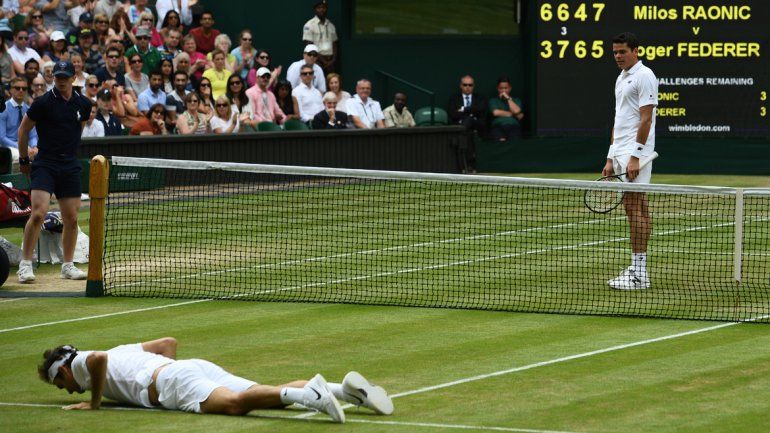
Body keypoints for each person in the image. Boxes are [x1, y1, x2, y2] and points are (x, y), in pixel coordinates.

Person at [37, 337, 394, 422]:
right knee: (255, 393)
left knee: (236, 406)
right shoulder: (122, 349)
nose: (66, 389)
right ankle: (343, 391)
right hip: (190, 368)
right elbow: (168, 343)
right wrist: (173, 372)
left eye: (60, 384)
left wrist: (94, 402)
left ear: (63, 371)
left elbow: (96, 360)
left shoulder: (83, 362)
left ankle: (312, 397)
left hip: (174, 382)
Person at [17, 60, 92, 283]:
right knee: (38, 212)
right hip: (45, 163)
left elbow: (77, 131)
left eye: (64, 76)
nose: (60, 80)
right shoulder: (43, 103)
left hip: (69, 164)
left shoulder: (84, 105)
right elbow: (23, 130)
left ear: (73, 77)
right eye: (57, 76)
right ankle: (25, 264)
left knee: (71, 217)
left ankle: (68, 266)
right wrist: (23, 158)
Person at [604, 32, 658, 290]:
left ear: (636, 50)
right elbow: (619, 118)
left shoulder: (645, 76)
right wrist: (610, 155)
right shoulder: (621, 78)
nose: (617, 56)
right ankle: (638, 269)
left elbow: (646, 118)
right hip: (621, 151)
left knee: (634, 208)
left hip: (635, 154)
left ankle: (639, 274)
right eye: (615, 52)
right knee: (637, 207)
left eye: (622, 51)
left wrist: (635, 156)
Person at [448, 75, 488, 172]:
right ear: (460, 86)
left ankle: (465, 166)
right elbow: (453, 114)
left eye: (470, 85)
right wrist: (471, 112)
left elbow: (481, 110)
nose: (467, 87)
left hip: (477, 126)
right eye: (465, 84)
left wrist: (463, 109)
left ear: (473, 86)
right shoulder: (454, 99)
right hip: (462, 127)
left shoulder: (480, 98)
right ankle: (469, 165)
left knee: (469, 121)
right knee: (468, 132)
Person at [0, 77, 38, 162]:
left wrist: (35, 147)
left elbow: (32, 135)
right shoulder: (3, 109)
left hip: (26, 145)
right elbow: (2, 138)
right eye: (17, 88)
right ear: (10, 90)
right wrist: (22, 146)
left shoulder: (29, 110)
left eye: (24, 89)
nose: (21, 90)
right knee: (20, 156)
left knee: (40, 154)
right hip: (8, 146)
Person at [302, 0, 338, 74]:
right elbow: (309, 46)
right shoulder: (309, 25)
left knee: (331, 84)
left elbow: (334, 44)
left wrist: (332, 60)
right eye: (319, 7)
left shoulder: (331, 25)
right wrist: (324, 62)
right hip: (316, 61)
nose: (321, 10)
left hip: (330, 61)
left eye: (323, 7)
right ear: (315, 9)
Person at [488, 77, 524, 141]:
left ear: (510, 89)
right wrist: (514, 115)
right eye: (501, 88)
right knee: (501, 144)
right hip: (498, 126)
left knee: (514, 144)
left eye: (506, 88)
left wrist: (508, 99)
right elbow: (496, 113)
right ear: (498, 89)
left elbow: (516, 111)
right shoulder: (493, 100)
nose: (503, 91)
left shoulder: (516, 100)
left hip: (514, 126)